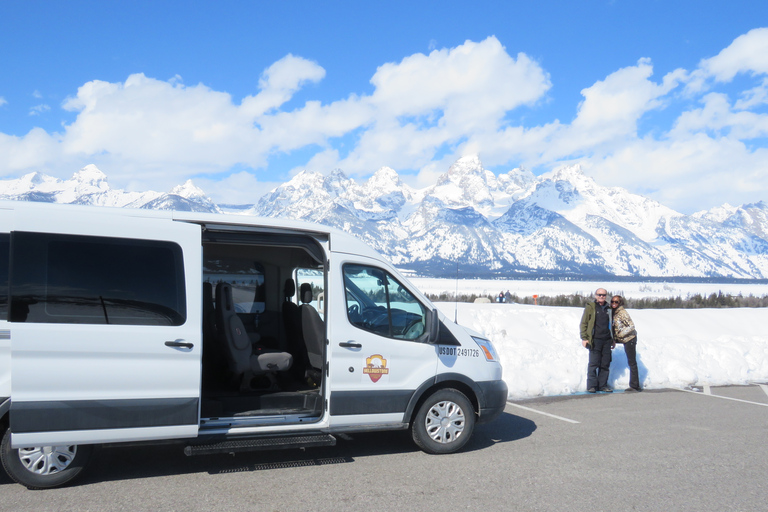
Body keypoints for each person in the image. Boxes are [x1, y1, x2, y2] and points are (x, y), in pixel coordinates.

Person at [580, 288, 614, 393]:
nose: (601, 297)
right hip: (595, 340)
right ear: (595, 295)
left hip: (607, 340)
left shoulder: (609, 308)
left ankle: (602, 385)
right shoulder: (591, 307)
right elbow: (584, 323)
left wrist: (613, 339)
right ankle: (592, 386)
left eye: (603, 295)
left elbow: (612, 325)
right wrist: (584, 338)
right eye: (599, 295)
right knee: (593, 363)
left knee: (605, 364)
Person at [610, 295, 642, 392]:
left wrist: (621, 334)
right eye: (612, 301)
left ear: (620, 303)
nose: (614, 303)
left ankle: (634, 385)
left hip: (629, 338)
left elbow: (631, 326)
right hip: (622, 338)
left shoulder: (622, 313)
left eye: (616, 302)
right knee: (631, 361)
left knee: (632, 361)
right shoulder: (614, 312)